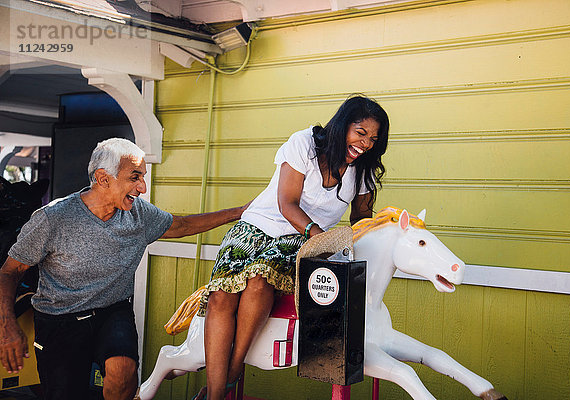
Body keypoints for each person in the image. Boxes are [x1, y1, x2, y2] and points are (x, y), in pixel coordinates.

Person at [0, 138, 249, 400]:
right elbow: (10, 271)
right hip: (60, 319)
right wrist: (6, 325)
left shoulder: (139, 214)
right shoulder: (52, 218)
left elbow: (182, 225)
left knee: (124, 371)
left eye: (142, 176)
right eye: (135, 177)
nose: (142, 187)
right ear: (103, 178)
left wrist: (239, 212)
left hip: (112, 311)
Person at [195, 94, 389, 400]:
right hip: (257, 225)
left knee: (260, 283)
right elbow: (287, 203)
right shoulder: (305, 144)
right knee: (221, 297)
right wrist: (319, 234)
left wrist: (377, 232)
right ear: (342, 126)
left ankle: (231, 372)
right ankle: (217, 394)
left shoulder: (363, 171)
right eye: (361, 133)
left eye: (373, 139)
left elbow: (361, 217)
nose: (365, 144)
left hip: (298, 242)